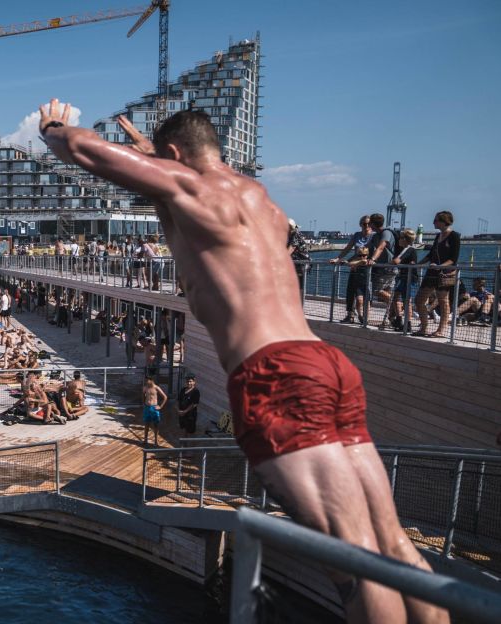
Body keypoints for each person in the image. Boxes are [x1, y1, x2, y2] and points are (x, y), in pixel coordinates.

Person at [39, 100, 444, 623]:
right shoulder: (264, 204)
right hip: (324, 361)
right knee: (395, 545)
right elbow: (199, 231)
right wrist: (155, 165)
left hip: (273, 374)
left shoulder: (192, 187)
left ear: (174, 156)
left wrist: (53, 127)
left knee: (355, 557)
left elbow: (82, 148)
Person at [414, 211, 461, 338]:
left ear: (443, 221)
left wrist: (441, 266)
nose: (433, 222)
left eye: (435, 220)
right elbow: (431, 255)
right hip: (431, 272)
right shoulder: (438, 236)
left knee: (443, 301)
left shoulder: (454, 236)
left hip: (444, 273)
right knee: (419, 300)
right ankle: (424, 327)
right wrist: (419, 263)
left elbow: (453, 258)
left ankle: (441, 329)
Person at [141, 376, 167, 445]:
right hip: (147, 407)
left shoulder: (156, 388)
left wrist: (160, 406)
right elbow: (143, 395)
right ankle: (145, 440)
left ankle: (156, 440)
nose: (146, 382)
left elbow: (165, 397)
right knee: (146, 424)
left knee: (156, 425)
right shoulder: (145, 387)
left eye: (147, 380)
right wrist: (143, 403)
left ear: (151, 380)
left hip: (154, 408)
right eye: (146, 380)